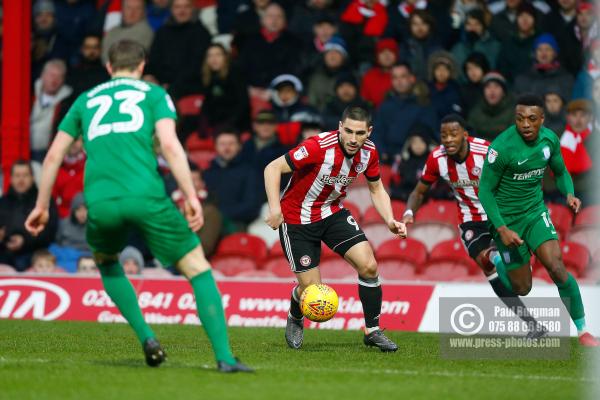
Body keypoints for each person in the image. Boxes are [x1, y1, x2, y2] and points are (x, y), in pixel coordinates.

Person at [24, 40, 253, 371]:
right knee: (197, 268)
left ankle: (146, 336)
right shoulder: (154, 95)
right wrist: (191, 196)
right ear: (142, 66)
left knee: (106, 262)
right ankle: (225, 358)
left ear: (108, 68)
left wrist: (42, 205)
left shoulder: (85, 100)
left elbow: (53, 156)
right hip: (145, 196)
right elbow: (172, 148)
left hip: (99, 202)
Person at [264, 106, 408, 352]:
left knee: (369, 265)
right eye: (348, 131)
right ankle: (295, 313)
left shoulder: (369, 152)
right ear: (340, 127)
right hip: (297, 219)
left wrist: (390, 219)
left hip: (332, 212)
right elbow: (272, 168)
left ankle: (372, 331)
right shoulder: (318, 146)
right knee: (313, 292)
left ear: (369, 132)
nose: (353, 139)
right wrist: (275, 209)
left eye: (360, 133)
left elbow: (376, 189)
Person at [402, 114, 545, 337]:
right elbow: (419, 191)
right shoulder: (437, 159)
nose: (448, 139)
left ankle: (509, 265)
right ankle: (532, 324)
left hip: (499, 215)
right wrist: (409, 212)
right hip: (470, 219)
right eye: (443, 135)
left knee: (515, 276)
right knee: (487, 265)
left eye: (453, 134)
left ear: (465, 135)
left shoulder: (486, 152)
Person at [478, 94, 599, 347]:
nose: (525, 124)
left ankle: (583, 330)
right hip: (506, 221)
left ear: (542, 119)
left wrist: (569, 193)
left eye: (532, 119)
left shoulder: (549, 140)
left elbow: (561, 171)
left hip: (535, 213)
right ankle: (497, 258)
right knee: (522, 288)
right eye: (520, 118)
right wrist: (500, 229)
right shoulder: (501, 148)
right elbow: (485, 191)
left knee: (556, 267)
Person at [0, 161, 59, 271]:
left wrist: (25, 241)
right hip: (4, 253)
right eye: (17, 175)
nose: (21, 180)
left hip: (34, 253)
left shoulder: (43, 201)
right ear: (11, 178)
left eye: (25, 175)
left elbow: (50, 232)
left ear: (32, 178)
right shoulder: (2, 202)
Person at [30, 59, 73, 162]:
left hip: (49, 153)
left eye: (59, 77)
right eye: (51, 75)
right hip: (24, 149)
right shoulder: (27, 92)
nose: (54, 80)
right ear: (43, 75)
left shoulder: (68, 102)